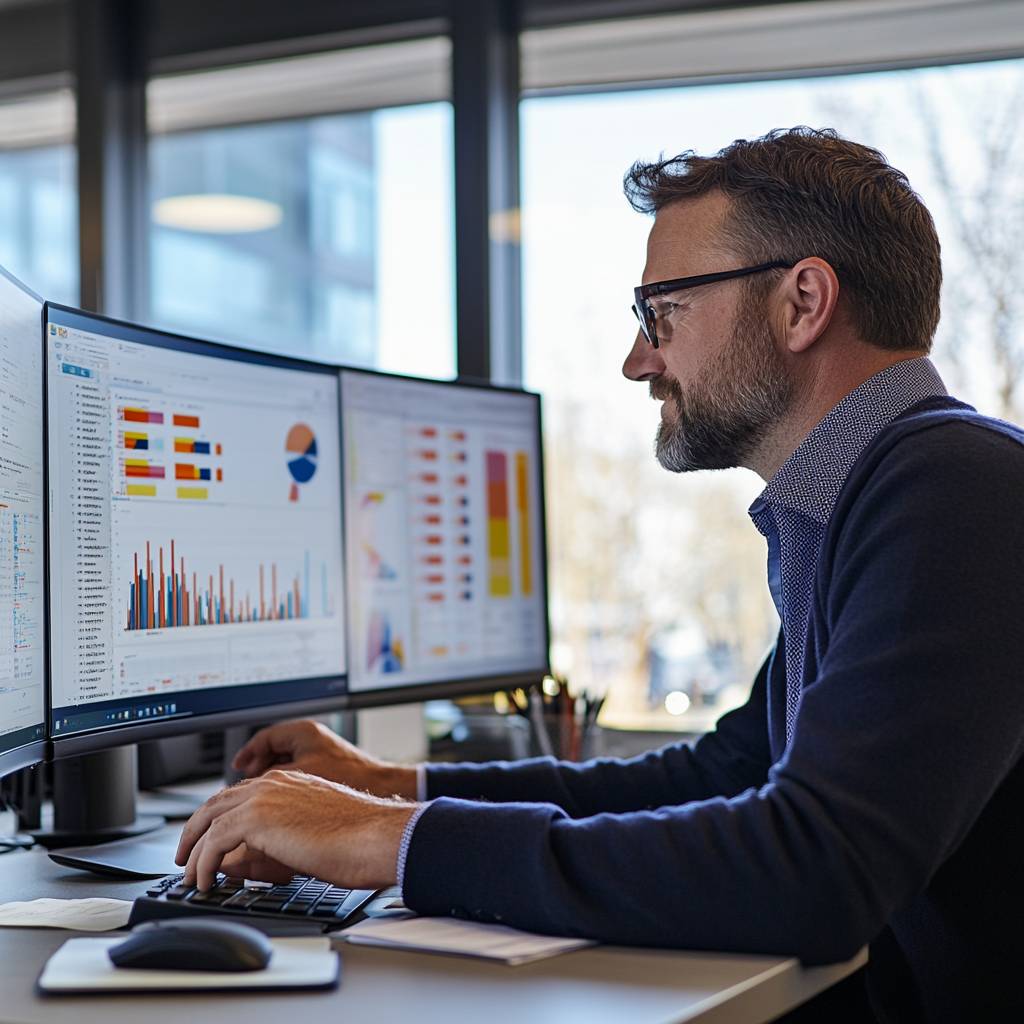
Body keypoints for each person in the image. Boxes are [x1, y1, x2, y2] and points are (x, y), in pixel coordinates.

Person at [176, 127, 1024, 1022]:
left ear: (803, 301)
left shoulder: (957, 492)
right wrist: (393, 788)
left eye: (663, 310)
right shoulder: (866, 499)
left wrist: (381, 840)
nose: (638, 359)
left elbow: (818, 869)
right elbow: (726, 775)